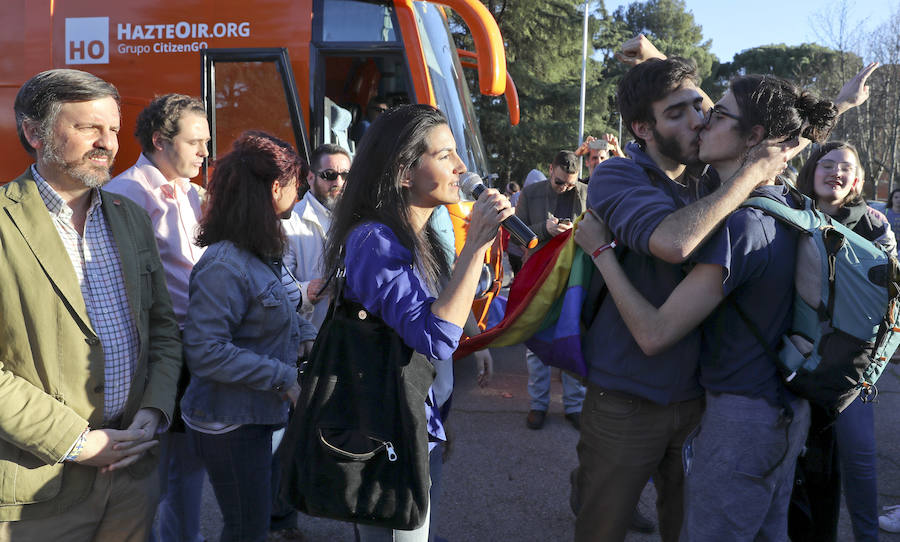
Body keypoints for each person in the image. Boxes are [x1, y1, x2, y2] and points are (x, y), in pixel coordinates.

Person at [573, 34, 876, 542]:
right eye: (679, 113)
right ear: (642, 129)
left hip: (700, 404)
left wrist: (836, 107)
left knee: (689, 527)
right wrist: (752, 169)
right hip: (629, 399)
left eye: (703, 107)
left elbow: (767, 132)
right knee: (603, 525)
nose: (698, 120)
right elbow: (674, 241)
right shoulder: (621, 178)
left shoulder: (710, 181)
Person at [0, 69, 182, 541]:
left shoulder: (132, 219)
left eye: (114, 130)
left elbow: (162, 328)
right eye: (89, 128)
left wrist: (155, 411)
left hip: (133, 472)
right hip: (41, 488)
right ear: (34, 132)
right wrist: (78, 443)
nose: (109, 144)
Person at [322, 103, 510, 541]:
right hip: (385, 432)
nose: (462, 167)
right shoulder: (375, 239)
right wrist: (477, 243)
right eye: (445, 156)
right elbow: (433, 338)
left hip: (415, 423)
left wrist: (474, 334)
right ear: (405, 172)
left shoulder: (416, 231)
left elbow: (439, 306)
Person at [180, 131, 317, 542]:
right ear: (276, 188)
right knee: (246, 529)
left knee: (250, 523)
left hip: (251, 414)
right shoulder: (225, 264)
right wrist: (283, 377)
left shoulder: (260, 250)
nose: (302, 190)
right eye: (298, 182)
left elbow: (283, 312)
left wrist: (309, 337)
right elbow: (205, 352)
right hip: (228, 421)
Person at [104, 93, 209, 542]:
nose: (206, 152)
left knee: (186, 467)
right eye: (196, 142)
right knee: (155, 473)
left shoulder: (189, 192)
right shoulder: (126, 193)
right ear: (159, 141)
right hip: (158, 352)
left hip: (193, 345)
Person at [792, 140, 894, 542]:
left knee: (859, 457)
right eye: (827, 163)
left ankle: (867, 536)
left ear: (858, 179)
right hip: (794, 357)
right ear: (812, 169)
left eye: (845, 167)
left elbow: (889, 298)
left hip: (851, 364)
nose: (836, 172)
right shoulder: (790, 213)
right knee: (795, 463)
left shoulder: (875, 225)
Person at [513, 150, 587, 430]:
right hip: (538, 276)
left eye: (570, 184)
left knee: (572, 338)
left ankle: (574, 406)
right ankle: (538, 405)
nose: (565, 188)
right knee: (536, 345)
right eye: (559, 182)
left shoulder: (586, 191)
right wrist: (545, 229)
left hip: (574, 277)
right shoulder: (531, 193)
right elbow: (516, 233)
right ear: (550, 168)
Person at [283, 143, 351, 330]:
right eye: (330, 175)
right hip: (309, 336)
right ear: (310, 177)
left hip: (349, 335)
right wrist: (305, 291)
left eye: (346, 175)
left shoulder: (359, 220)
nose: (338, 182)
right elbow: (275, 283)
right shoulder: (290, 221)